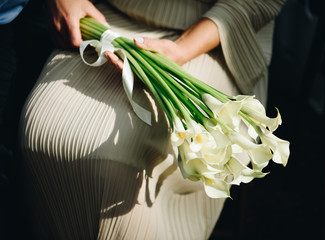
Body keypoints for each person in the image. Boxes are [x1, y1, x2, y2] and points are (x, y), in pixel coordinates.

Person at [19, 0, 286, 239]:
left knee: (117, 163)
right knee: (41, 134)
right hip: (107, 16)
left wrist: (181, 50)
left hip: (215, 35)